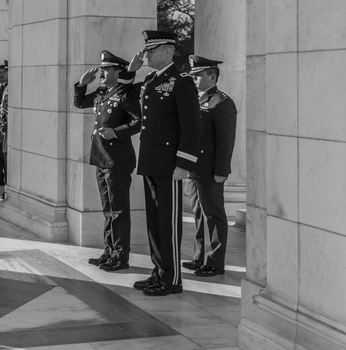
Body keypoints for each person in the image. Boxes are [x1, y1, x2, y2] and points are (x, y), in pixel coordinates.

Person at [127, 30, 202, 296]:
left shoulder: (181, 81)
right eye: (147, 50)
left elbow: (192, 126)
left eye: (152, 50)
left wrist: (184, 163)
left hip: (170, 164)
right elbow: (128, 102)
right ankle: (158, 272)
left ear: (168, 52)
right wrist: (129, 72)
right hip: (151, 160)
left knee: (168, 224)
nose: (146, 54)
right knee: (154, 223)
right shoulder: (149, 79)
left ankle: (172, 280)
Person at [73, 50, 141, 271]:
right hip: (101, 157)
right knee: (108, 209)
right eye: (102, 68)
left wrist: (117, 132)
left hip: (117, 159)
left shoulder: (125, 94)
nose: (102, 72)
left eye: (107, 69)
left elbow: (138, 122)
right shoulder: (103, 92)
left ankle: (121, 256)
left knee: (119, 209)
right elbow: (80, 103)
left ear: (119, 72)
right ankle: (109, 251)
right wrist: (82, 84)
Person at [182, 55, 237, 277]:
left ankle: (215, 261)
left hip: (209, 168)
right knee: (197, 213)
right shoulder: (194, 100)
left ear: (212, 76)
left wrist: (221, 171)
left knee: (213, 215)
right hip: (192, 167)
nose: (194, 79)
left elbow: (226, 140)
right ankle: (198, 258)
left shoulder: (222, 102)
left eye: (197, 76)